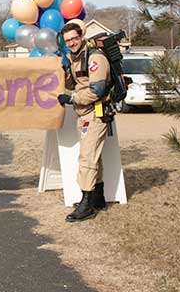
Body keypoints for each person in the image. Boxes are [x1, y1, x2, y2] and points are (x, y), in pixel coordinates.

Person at [57, 19, 110, 222]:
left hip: (96, 112)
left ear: (82, 37)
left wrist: (72, 99)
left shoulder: (95, 57)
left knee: (87, 158)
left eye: (74, 39)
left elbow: (97, 90)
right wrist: (65, 71)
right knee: (94, 156)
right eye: (67, 40)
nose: (71, 43)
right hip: (84, 113)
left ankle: (86, 204)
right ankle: (98, 199)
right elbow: (77, 82)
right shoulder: (76, 57)